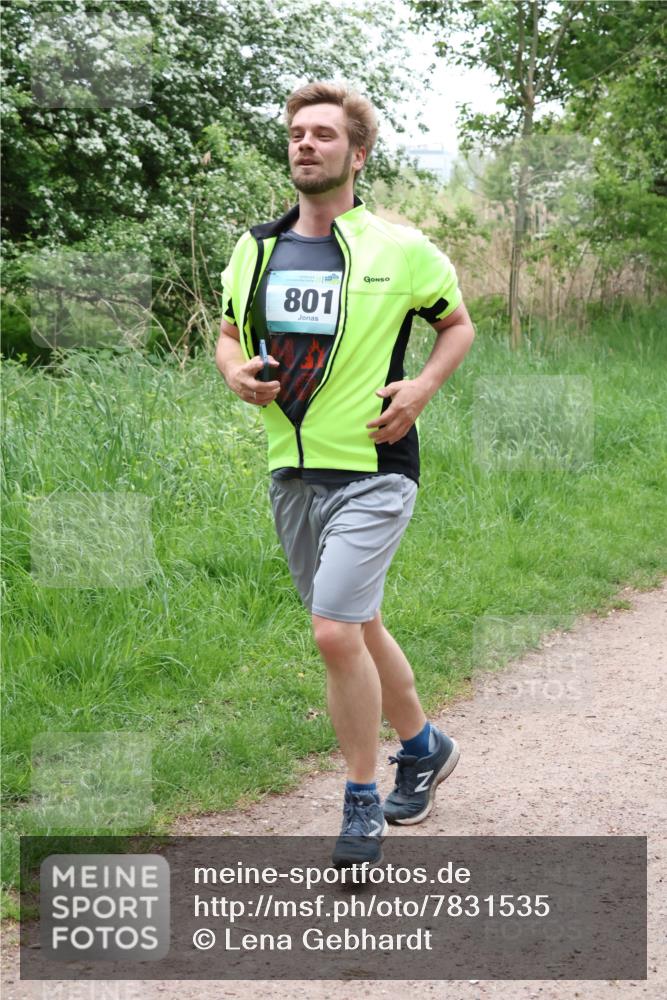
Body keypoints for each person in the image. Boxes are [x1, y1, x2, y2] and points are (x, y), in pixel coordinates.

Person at [215, 81, 475, 868]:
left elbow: (455, 325)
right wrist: (234, 372)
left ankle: (360, 799)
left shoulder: (399, 248)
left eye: (323, 134)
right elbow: (228, 334)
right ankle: (424, 746)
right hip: (290, 472)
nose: (305, 143)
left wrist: (422, 388)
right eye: (296, 132)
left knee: (331, 630)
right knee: (356, 624)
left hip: (373, 464)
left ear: (356, 155)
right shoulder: (254, 248)